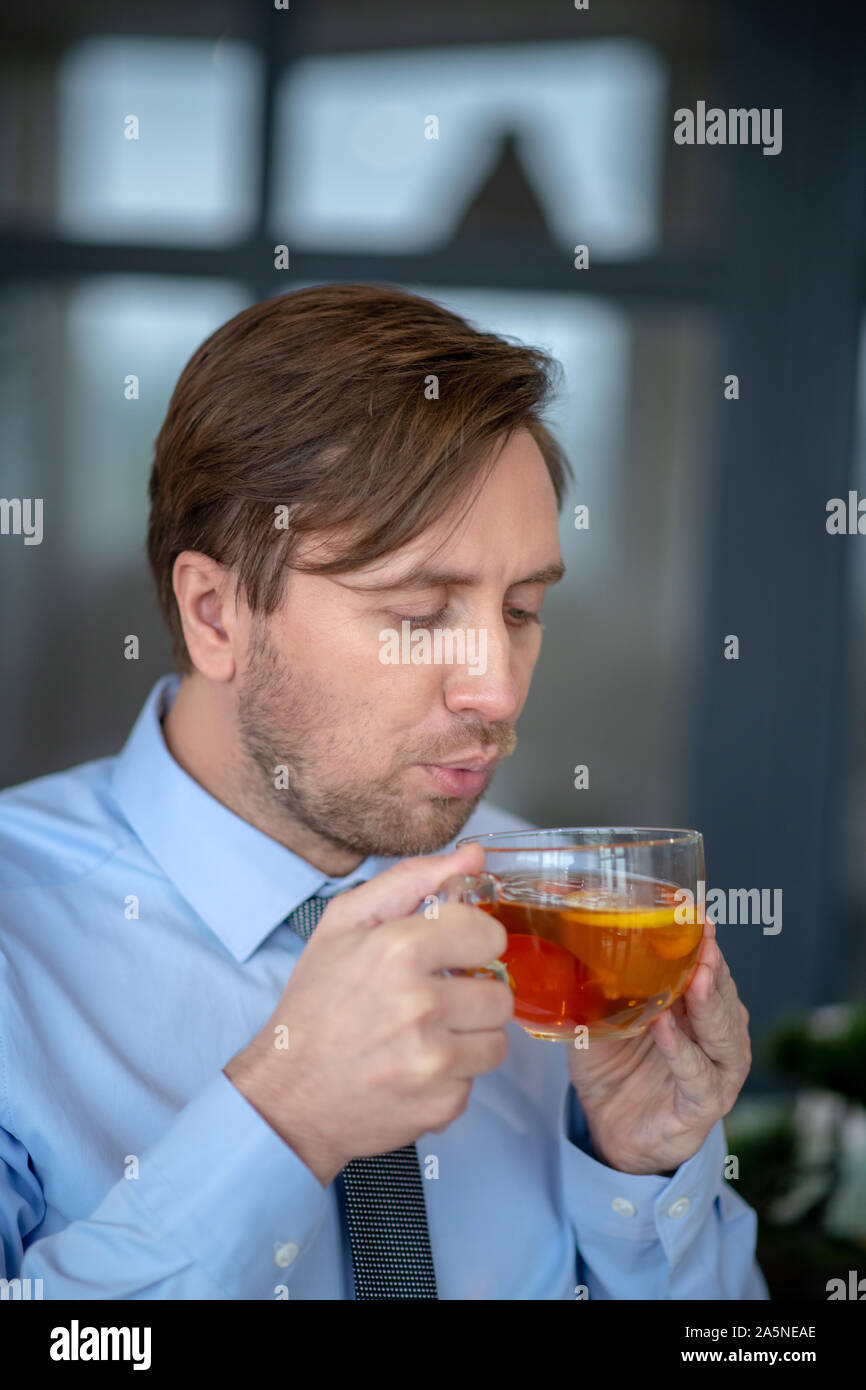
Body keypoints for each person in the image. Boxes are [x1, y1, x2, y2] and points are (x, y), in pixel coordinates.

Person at [0, 284, 768, 1300]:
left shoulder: (549, 922)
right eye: (417, 612)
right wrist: (280, 1119)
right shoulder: (18, 940)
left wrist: (642, 1175)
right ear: (215, 613)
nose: (496, 687)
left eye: (522, 608)